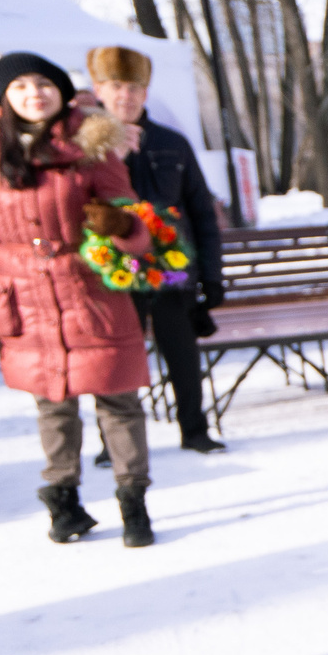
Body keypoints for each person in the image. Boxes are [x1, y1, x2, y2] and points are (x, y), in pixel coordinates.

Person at [0, 52, 159, 548]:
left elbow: (139, 226)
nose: (33, 94)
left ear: (62, 92)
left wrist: (122, 225)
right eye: (19, 86)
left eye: (43, 83)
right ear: (4, 99)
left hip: (92, 293)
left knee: (119, 402)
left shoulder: (93, 146)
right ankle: (63, 504)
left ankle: (134, 503)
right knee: (53, 406)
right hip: (24, 299)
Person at [88, 45, 226, 455]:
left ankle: (195, 429)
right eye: (116, 87)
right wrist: (112, 157)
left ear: (145, 93)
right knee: (115, 360)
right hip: (113, 272)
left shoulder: (172, 143)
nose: (125, 96)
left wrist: (213, 275)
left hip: (169, 268)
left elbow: (202, 211)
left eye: (134, 88)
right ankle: (112, 442)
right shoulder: (86, 149)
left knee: (182, 353)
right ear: (99, 89)